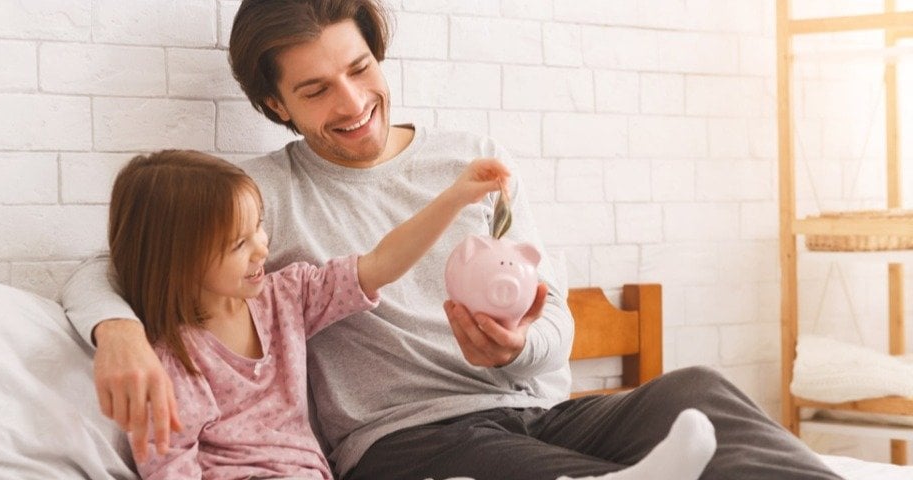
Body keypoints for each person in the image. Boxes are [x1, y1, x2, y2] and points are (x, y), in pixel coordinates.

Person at [61, 1, 842, 479]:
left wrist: (515, 351)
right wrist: (120, 332)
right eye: (315, 90)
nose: (354, 102)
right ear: (275, 103)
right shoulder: (259, 197)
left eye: (360, 69)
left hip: (539, 408)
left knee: (694, 391)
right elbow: (125, 260)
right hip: (408, 444)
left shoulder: (469, 163)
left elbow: (555, 321)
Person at [107, 150, 510, 478]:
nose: (262, 248)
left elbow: (381, 263)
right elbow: (170, 467)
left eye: (259, 227)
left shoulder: (285, 297)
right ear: (180, 262)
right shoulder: (174, 360)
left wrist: (456, 197)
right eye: (238, 244)